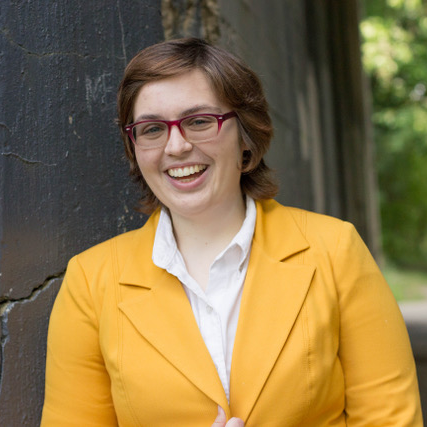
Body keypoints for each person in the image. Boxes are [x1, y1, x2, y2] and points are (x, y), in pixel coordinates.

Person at [41, 38, 423, 426]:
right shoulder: (90, 283)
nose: (176, 146)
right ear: (134, 147)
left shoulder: (335, 251)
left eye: (199, 121)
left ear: (246, 135)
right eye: (152, 128)